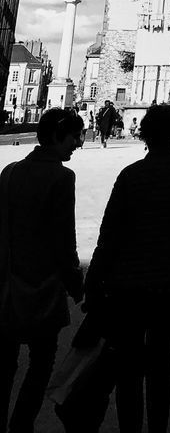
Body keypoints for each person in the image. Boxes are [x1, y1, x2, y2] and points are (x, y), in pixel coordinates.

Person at [84, 102, 170, 433]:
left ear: (144, 134)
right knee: (159, 360)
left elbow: (108, 238)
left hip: (125, 287)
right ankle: (157, 428)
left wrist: (92, 285)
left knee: (129, 366)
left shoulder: (131, 175)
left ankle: (130, 429)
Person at [0, 107, 85, 433]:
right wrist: (76, 284)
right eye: (74, 136)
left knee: (5, 364)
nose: (78, 143)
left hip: (7, 284)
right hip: (42, 287)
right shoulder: (62, 177)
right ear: (56, 137)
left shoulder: (10, 170)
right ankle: (21, 426)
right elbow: (64, 239)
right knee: (40, 364)